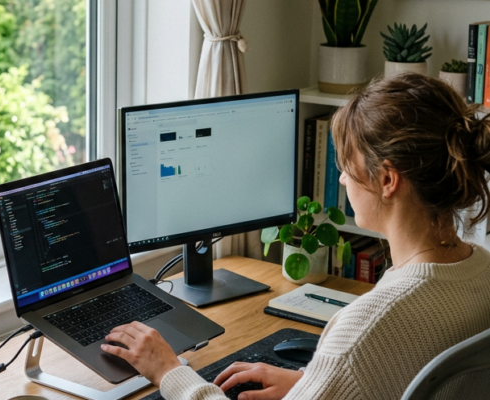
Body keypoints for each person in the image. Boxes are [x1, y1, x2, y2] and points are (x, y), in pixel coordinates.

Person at [101, 73, 490, 400]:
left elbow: (370, 353)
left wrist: (169, 371)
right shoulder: (482, 271)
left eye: (347, 166)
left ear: (388, 180)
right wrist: (312, 384)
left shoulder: (367, 327)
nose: (342, 179)